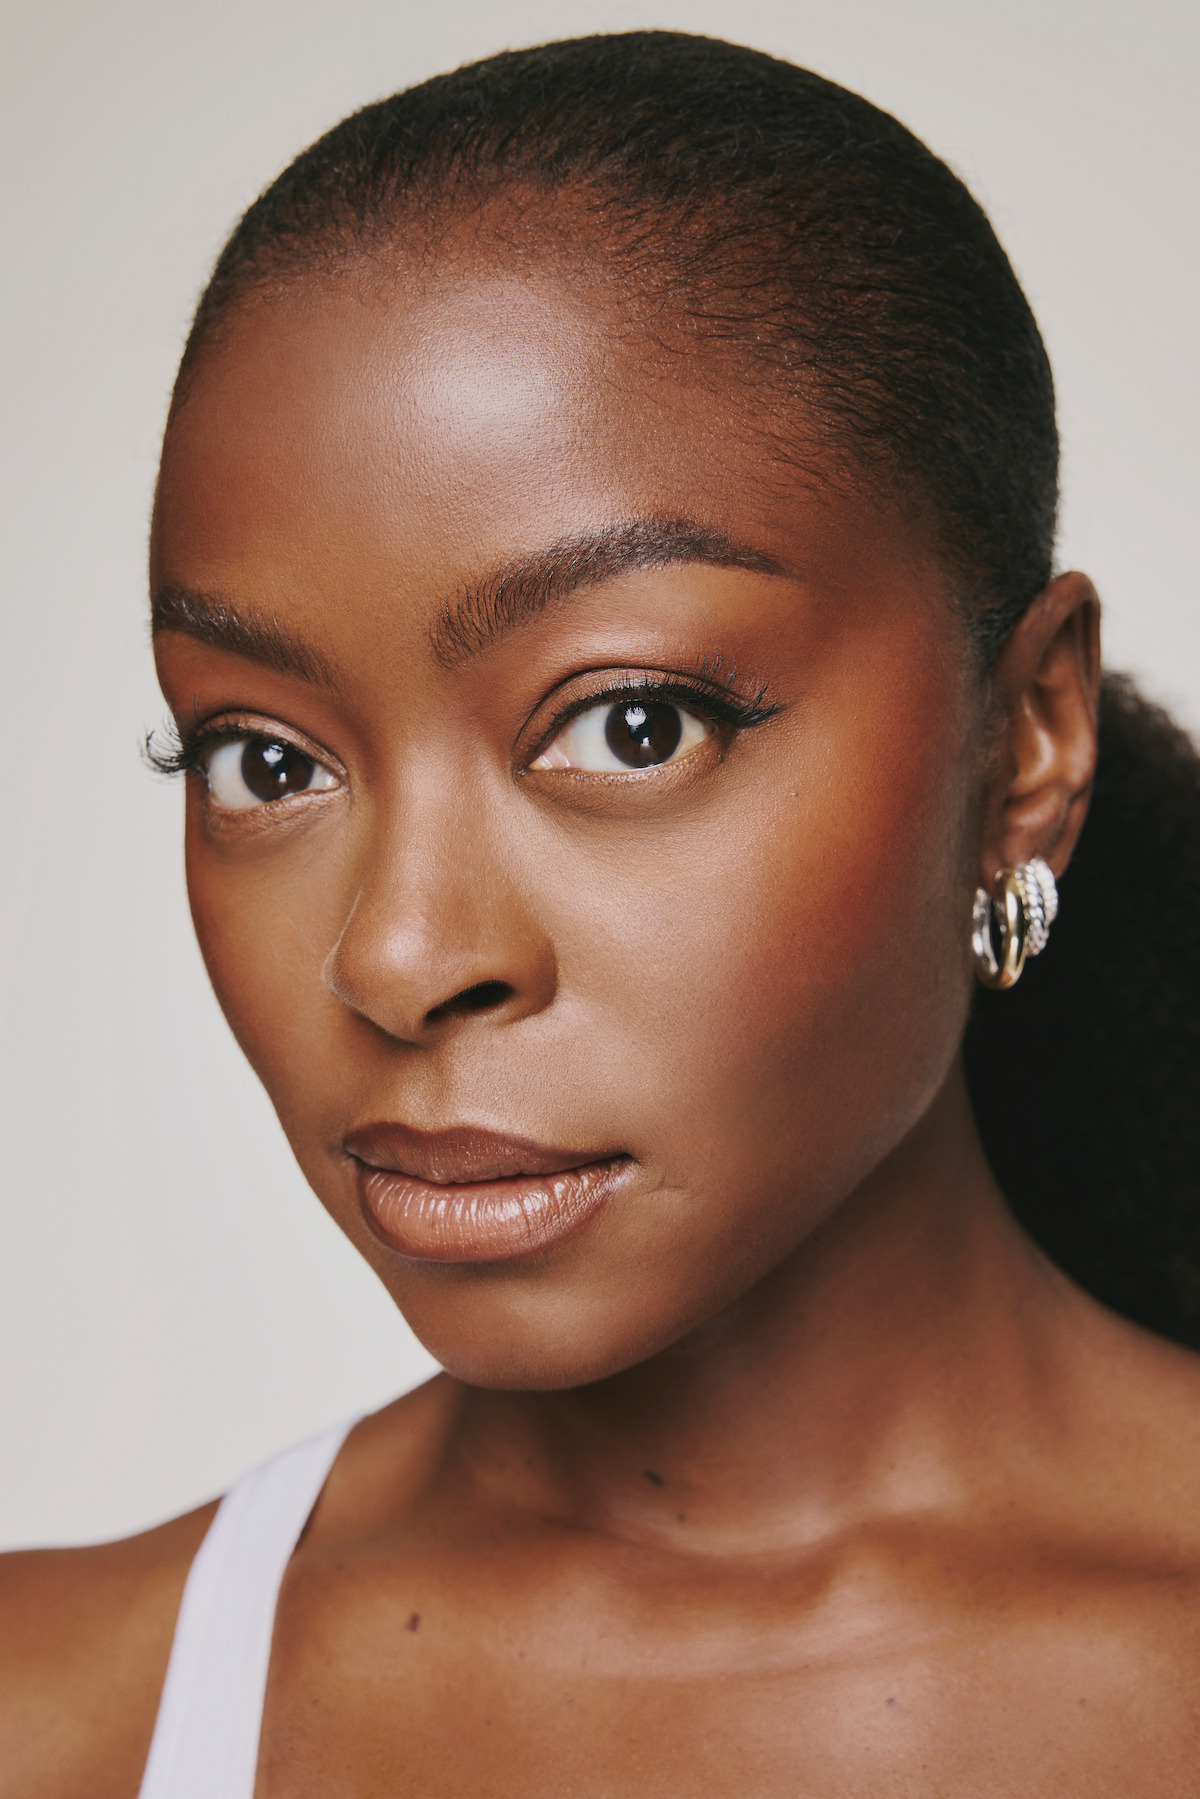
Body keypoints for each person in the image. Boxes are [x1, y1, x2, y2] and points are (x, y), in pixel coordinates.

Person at [4, 29, 1200, 1796]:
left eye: (632, 725)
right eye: (264, 760)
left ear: (1026, 741)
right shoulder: (57, 1718)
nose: (399, 958)